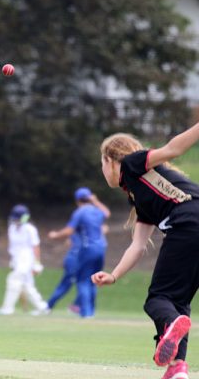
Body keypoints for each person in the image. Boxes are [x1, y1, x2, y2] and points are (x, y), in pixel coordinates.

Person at [92, 127, 199, 379]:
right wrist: (114, 275)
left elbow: (174, 148)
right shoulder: (141, 195)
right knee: (176, 303)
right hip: (191, 225)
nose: (102, 170)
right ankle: (177, 369)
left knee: (158, 300)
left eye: (102, 163)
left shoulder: (132, 164)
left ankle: (171, 330)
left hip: (187, 224)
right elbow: (138, 245)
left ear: (111, 160)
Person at [48, 188, 110, 318]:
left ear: (77, 200)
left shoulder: (80, 212)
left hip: (87, 249)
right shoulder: (96, 211)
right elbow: (107, 213)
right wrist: (96, 201)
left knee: (83, 280)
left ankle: (86, 313)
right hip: (102, 248)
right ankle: (91, 311)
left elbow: (69, 231)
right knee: (95, 279)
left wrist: (55, 235)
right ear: (89, 198)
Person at [0, 204, 49, 316]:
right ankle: (43, 308)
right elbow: (12, 246)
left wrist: (37, 263)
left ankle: (8, 308)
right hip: (17, 259)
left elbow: (35, 247)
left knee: (13, 280)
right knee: (27, 285)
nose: (15, 220)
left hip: (27, 259)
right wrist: (12, 260)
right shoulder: (11, 228)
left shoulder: (30, 229)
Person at [46, 232, 82, 314]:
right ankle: (48, 306)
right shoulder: (87, 232)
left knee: (82, 284)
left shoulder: (78, 229)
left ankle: (76, 306)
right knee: (67, 285)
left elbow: (68, 242)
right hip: (75, 262)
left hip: (72, 261)